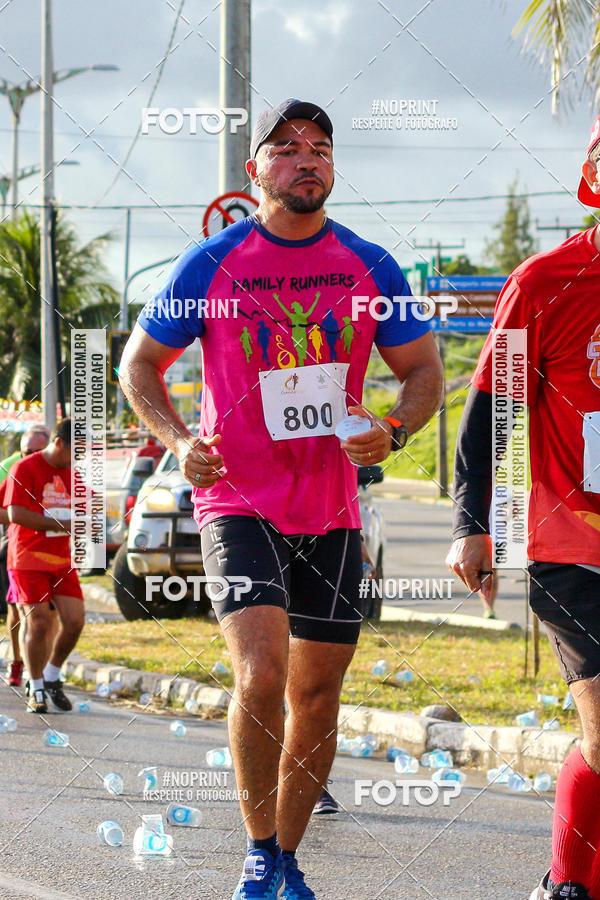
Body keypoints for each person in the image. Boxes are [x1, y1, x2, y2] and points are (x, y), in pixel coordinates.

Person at [120, 98, 443, 900]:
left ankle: (288, 859)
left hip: (332, 506)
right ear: (254, 169)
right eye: (288, 147)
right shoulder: (214, 263)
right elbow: (139, 364)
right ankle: (258, 851)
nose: (308, 159)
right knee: (262, 676)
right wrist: (180, 443)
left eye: (321, 148)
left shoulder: (370, 265)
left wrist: (397, 430)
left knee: (317, 691)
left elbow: (425, 371)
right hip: (238, 501)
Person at [447, 114, 600, 900]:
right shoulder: (543, 285)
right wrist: (471, 523)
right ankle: (566, 885)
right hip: (574, 548)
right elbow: (489, 416)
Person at [6, 418, 84, 714]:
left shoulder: (73, 475)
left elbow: (85, 509)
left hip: (62, 561)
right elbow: (14, 513)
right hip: (27, 559)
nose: (77, 460)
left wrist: (87, 522)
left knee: (75, 621)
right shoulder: (25, 468)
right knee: (38, 622)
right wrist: (61, 523)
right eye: (75, 453)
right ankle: (35, 685)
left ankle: (52, 675)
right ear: (59, 443)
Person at [0, 425, 51, 686]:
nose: (30, 456)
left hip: (55, 556)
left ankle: (46, 674)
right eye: (25, 452)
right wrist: (20, 517)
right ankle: (18, 663)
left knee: (48, 618)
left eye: (37, 451)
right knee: (19, 611)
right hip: (18, 551)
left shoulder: (61, 471)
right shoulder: (13, 471)